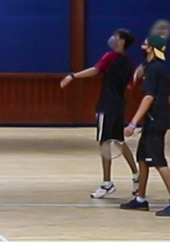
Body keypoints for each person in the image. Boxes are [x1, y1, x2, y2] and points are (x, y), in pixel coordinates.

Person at [60, 29, 141, 197]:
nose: (112, 38)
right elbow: (129, 86)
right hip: (119, 105)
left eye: (115, 37)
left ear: (121, 42)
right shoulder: (128, 62)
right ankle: (136, 176)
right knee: (119, 141)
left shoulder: (110, 57)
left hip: (107, 105)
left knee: (105, 143)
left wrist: (72, 76)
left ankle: (106, 183)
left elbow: (96, 70)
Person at [120, 33, 170, 216]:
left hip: (156, 121)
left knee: (158, 161)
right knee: (142, 158)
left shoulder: (155, 70)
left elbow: (149, 97)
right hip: (154, 119)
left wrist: (133, 123)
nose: (142, 47)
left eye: (145, 44)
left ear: (151, 49)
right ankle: (140, 199)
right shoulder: (155, 68)